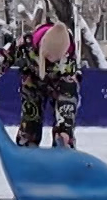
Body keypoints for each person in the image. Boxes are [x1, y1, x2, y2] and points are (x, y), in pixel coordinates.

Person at [11, 20, 80, 148]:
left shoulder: (68, 56)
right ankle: (28, 140)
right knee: (31, 117)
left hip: (59, 83)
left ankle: (63, 140)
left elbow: (68, 94)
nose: (51, 63)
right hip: (33, 81)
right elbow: (1, 61)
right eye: (48, 59)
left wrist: (65, 130)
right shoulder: (26, 44)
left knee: (65, 120)